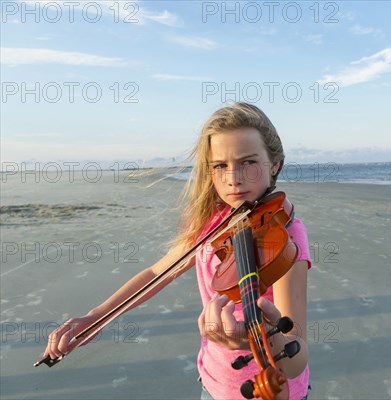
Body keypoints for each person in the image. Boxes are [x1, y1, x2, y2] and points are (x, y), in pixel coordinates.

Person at [42, 102, 312, 400]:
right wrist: (95, 317)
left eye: (248, 162)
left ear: (274, 163)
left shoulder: (286, 234)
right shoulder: (216, 220)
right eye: (220, 165)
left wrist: (253, 343)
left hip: (269, 387)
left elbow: (296, 357)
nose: (233, 178)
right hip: (213, 383)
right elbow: (158, 272)